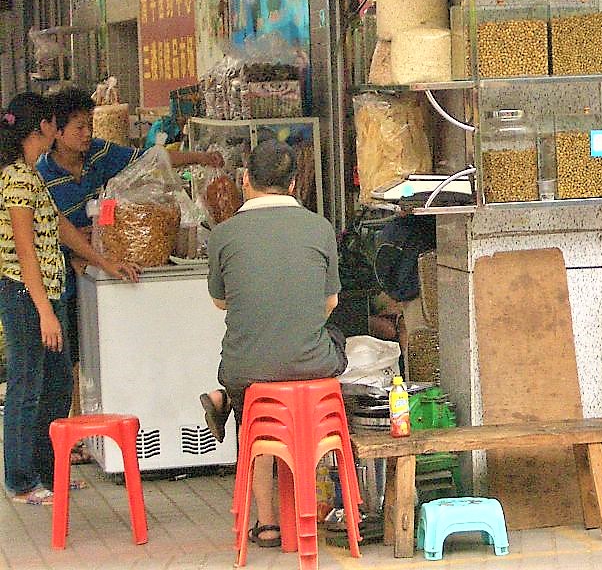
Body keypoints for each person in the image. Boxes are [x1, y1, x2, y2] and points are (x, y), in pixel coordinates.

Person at [37, 87, 222, 463]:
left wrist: (203, 156)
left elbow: (153, 159)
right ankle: (74, 434)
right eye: (78, 127)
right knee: (71, 359)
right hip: (65, 276)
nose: (87, 134)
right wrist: (73, 252)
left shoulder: (101, 155)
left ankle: (93, 431)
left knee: (99, 351)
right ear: (55, 131)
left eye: (89, 126)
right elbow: (42, 234)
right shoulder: (42, 178)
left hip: (103, 271)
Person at [199, 139, 345, 549]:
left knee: (255, 422)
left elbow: (220, 301)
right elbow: (330, 302)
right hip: (312, 366)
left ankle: (266, 524)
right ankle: (321, 508)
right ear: (295, 183)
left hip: (246, 370)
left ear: (245, 181)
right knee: (334, 344)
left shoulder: (224, 235)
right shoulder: (320, 227)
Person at [1, 93, 139, 506]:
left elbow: (60, 228)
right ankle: (22, 480)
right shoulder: (18, 179)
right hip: (27, 295)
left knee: (58, 382)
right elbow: (26, 252)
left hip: (48, 292)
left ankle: (48, 471)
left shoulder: (31, 176)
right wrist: (45, 312)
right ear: (44, 127)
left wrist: (104, 261)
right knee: (27, 385)